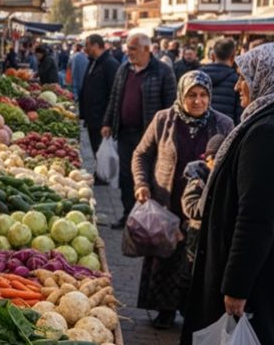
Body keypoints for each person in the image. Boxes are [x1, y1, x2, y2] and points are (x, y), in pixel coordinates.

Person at [182, 43, 274, 345]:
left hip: (254, 280)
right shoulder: (268, 121)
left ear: (266, 76)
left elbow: (256, 218)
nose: (239, 85)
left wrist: (236, 287)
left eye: (244, 77)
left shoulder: (268, 132)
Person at [131, 71, 234, 330]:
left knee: (196, 263)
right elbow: (141, 154)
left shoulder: (224, 124)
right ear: (181, 94)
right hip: (167, 204)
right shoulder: (163, 119)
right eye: (191, 95)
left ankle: (191, 311)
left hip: (202, 207)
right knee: (165, 259)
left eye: (203, 95)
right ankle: (164, 311)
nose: (198, 101)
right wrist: (142, 185)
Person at [102, 33, 177, 229]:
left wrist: (167, 136)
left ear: (146, 49)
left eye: (133, 49)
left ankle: (146, 219)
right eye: (128, 48)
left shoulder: (163, 71)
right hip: (126, 133)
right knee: (126, 177)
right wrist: (108, 122)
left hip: (150, 136)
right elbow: (115, 97)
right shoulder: (124, 69)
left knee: (147, 177)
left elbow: (171, 106)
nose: (128, 52)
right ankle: (128, 215)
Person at [181, 133, 226, 263]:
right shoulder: (198, 178)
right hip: (197, 240)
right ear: (207, 160)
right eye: (216, 159)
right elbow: (191, 207)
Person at [80, 34, 120, 157]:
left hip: (101, 121)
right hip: (92, 119)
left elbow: (114, 95)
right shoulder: (93, 62)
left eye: (88, 45)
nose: (85, 48)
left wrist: (108, 122)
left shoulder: (110, 64)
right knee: (97, 154)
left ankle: (104, 176)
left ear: (96, 45)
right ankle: (99, 175)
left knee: (104, 156)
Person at [201, 38, 241, 124]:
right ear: (233, 56)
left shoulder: (198, 75)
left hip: (200, 127)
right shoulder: (237, 80)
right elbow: (239, 113)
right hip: (226, 129)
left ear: (213, 55)